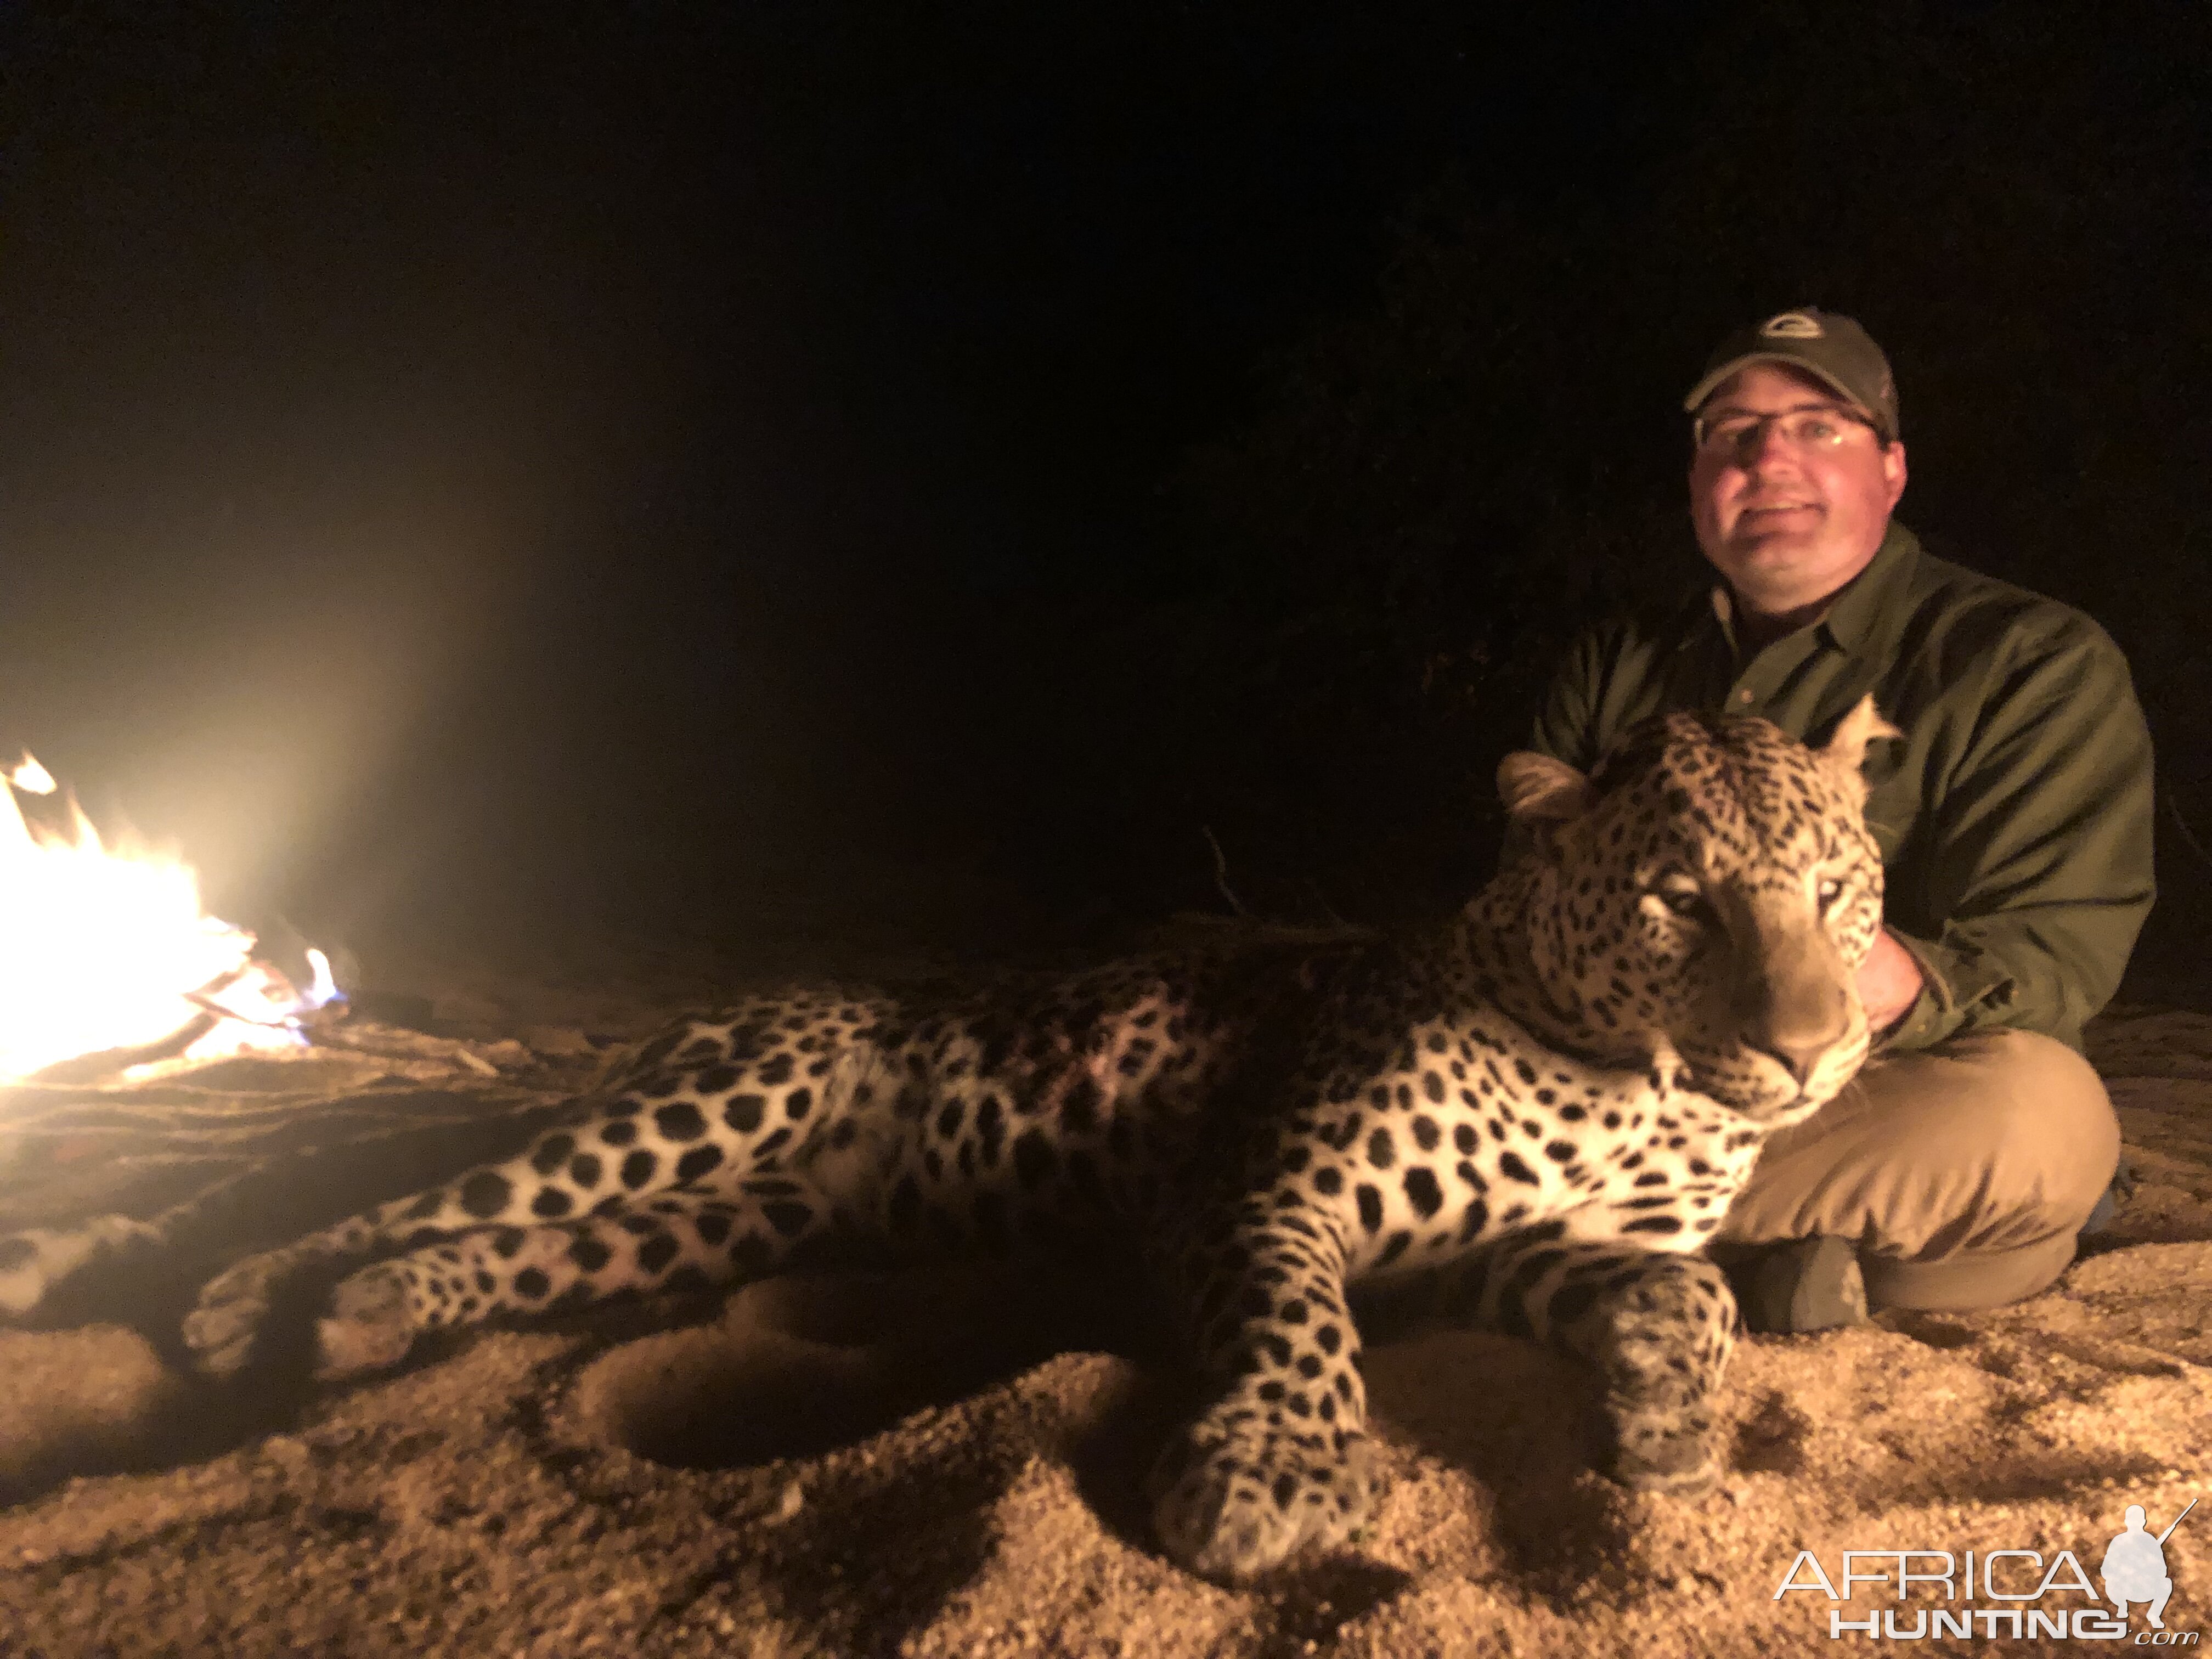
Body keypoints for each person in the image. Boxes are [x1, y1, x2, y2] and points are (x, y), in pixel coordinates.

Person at [1526, 308, 2154, 1330]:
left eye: (1819, 425)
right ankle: (1760, 1256)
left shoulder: (2031, 659)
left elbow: (2054, 950)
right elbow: (1526, 915)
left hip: (1883, 1086)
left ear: (1893, 470)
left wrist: (1851, 978)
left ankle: (1547, 1237)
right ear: (1697, 483)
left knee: (2040, 1116)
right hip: (1633, 1078)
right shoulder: (1614, 664)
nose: (1769, 456)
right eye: (1731, 433)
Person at [2101, 1504, 2175, 1628]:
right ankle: (2122, 1606)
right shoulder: (2118, 1541)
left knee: (2166, 1584)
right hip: (2123, 1589)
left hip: (2146, 1589)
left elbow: (2163, 1571)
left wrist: (2147, 1569)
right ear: (2126, 1522)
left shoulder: (2151, 1542)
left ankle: (2154, 1614)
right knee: (2110, 1583)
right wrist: (2123, 1572)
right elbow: (2106, 1570)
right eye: (2132, 1520)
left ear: (2144, 1522)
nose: (2135, 1523)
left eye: (2138, 1520)